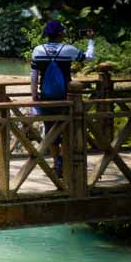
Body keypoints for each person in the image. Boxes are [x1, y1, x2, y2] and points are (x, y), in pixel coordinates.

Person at [30, 20, 96, 175]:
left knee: (50, 130)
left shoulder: (38, 50)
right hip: (67, 98)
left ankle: (57, 163)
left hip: (46, 97)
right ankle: (68, 162)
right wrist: (91, 40)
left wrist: (34, 97)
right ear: (60, 33)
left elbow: (34, 75)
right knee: (69, 129)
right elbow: (89, 58)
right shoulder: (68, 50)